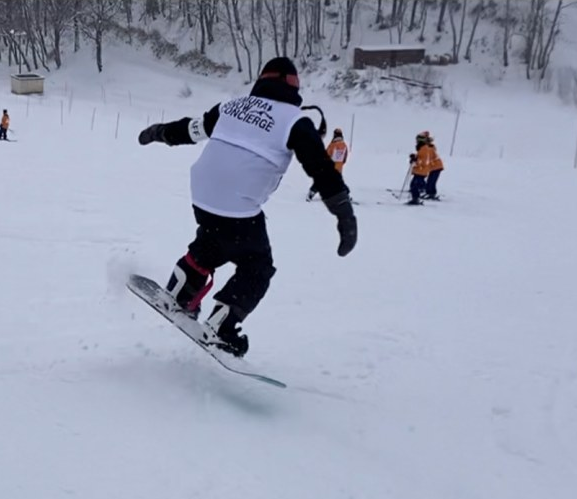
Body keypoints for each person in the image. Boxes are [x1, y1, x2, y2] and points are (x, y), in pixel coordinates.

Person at [136, 57, 357, 357]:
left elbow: (190, 130)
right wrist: (344, 213)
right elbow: (321, 169)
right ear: (294, 88)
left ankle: (181, 290)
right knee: (257, 265)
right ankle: (222, 325)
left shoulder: (232, 106)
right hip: (238, 205)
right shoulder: (295, 121)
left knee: (214, 240)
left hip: (202, 194)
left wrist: (159, 132)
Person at [307, 127, 349, 201]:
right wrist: (340, 164)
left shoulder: (333, 145)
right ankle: (346, 194)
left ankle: (312, 192)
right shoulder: (344, 145)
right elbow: (345, 157)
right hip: (338, 168)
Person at [407, 132, 433, 205]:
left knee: (414, 185)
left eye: (417, 140)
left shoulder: (424, 149)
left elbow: (424, 161)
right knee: (414, 184)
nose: (416, 141)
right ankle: (416, 198)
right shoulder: (421, 148)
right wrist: (414, 157)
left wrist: (416, 160)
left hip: (421, 170)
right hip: (420, 170)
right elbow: (421, 157)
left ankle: (416, 199)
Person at [424, 135, 445, 200]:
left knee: (431, 181)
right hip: (433, 167)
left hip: (436, 167)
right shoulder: (429, 148)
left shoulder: (429, 149)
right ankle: (429, 193)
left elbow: (426, 159)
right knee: (430, 181)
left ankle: (431, 194)